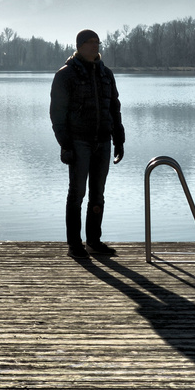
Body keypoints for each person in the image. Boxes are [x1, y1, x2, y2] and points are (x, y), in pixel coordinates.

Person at [50, 29, 124, 258]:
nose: (96, 45)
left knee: (98, 194)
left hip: (103, 141)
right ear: (80, 45)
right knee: (77, 193)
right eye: (91, 42)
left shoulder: (106, 74)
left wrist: (119, 139)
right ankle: (75, 245)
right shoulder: (65, 75)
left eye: (97, 42)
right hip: (79, 141)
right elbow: (57, 114)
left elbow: (114, 107)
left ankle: (94, 241)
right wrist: (66, 144)